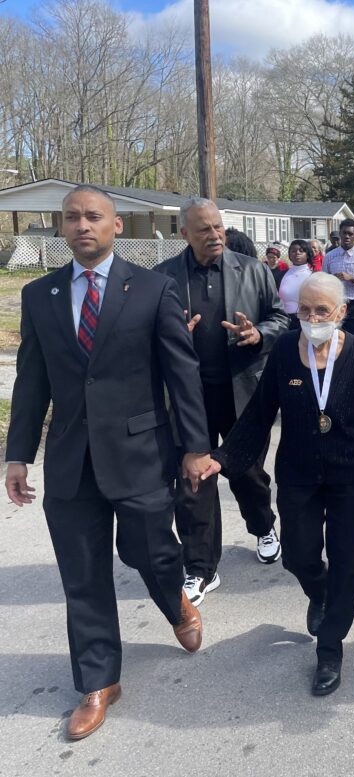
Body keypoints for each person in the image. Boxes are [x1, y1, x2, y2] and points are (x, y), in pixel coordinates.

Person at [4, 186, 211, 739]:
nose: (81, 225)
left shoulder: (152, 289)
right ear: (61, 228)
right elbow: (31, 381)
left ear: (117, 226)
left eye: (93, 216)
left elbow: (181, 373)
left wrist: (195, 447)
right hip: (71, 460)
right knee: (82, 575)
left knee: (151, 550)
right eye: (71, 218)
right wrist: (18, 455)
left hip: (141, 454)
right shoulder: (40, 294)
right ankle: (98, 681)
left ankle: (176, 604)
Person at [205, 273, 354, 696]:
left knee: (348, 561)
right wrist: (222, 459)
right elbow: (257, 415)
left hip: (349, 476)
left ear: (341, 313)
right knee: (298, 555)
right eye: (304, 310)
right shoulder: (286, 354)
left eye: (321, 311)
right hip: (297, 474)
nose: (311, 318)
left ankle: (330, 647)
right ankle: (319, 589)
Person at [155, 197, 290, 605]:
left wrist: (259, 335)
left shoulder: (253, 270)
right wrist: (170, 331)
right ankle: (200, 567)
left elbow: (283, 318)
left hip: (243, 391)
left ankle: (263, 525)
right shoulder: (163, 278)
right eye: (203, 229)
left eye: (218, 227)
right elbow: (145, 332)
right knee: (193, 479)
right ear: (184, 234)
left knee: (247, 472)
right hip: (188, 396)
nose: (214, 235)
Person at [279, 240, 314, 329]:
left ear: (307, 254)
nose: (297, 253)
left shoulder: (314, 276)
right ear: (289, 254)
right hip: (284, 320)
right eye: (293, 251)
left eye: (301, 251)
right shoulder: (281, 275)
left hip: (306, 320)